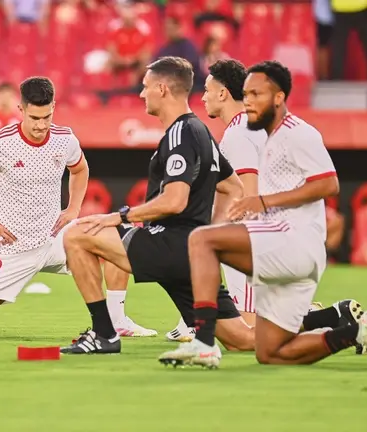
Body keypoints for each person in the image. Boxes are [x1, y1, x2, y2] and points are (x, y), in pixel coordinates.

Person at [158, 61, 367, 369]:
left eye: (255, 94)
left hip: (286, 241)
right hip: (284, 245)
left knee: (202, 243)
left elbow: (328, 183)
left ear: (278, 97)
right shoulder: (263, 135)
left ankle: (200, 336)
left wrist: (261, 205)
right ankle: (355, 331)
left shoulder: (276, 133)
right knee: (269, 351)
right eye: (246, 94)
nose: (248, 102)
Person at [59, 57, 247, 355]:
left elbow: (175, 201)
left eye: (145, 87)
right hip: (193, 254)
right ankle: (330, 321)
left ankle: (104, 334)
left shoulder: (180, 133)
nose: (141, 94)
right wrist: (209, 235)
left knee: (77, 233)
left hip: (170, 245)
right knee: (242, 341)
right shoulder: (200, 131)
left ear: (162, 89)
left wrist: (119, 216)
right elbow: (233, 187)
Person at [0, 77, 88, 334]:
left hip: (54, 239)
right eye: (35, 118)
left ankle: (117, 323)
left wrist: (74, 208)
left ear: (54, 107)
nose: (41, 125)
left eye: (47, 117)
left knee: (114, 246)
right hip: (11, 248)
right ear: (21, 110)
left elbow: (80, 168)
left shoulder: (65, 139)